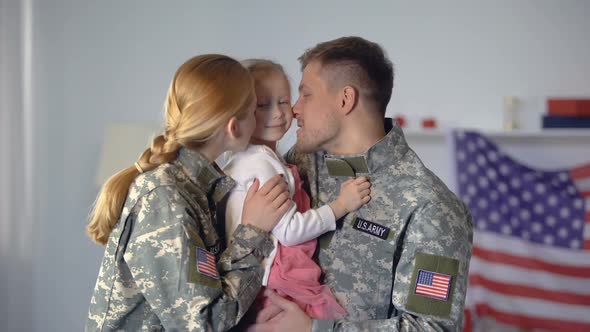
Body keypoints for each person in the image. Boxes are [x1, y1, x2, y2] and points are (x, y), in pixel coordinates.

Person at [251, 37, 474, 331]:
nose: (294, 109)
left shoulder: (429, 206)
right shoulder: (294, 167)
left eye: (306, 95)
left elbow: (431, 328)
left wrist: (314, 329)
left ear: (345, 99)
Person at [85, 54, 294, 332]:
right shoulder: (164, 198)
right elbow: (203, 323)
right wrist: (253, 231)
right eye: (256, 108)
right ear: (234, 126)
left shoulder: (202, 189)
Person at [223, 59, 371, 322]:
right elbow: (290, 232)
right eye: (262, 105)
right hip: (279, 281)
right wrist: (341, 206)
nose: (278, 113)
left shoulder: (250, 159)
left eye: (283, 101)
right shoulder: (262, 163)